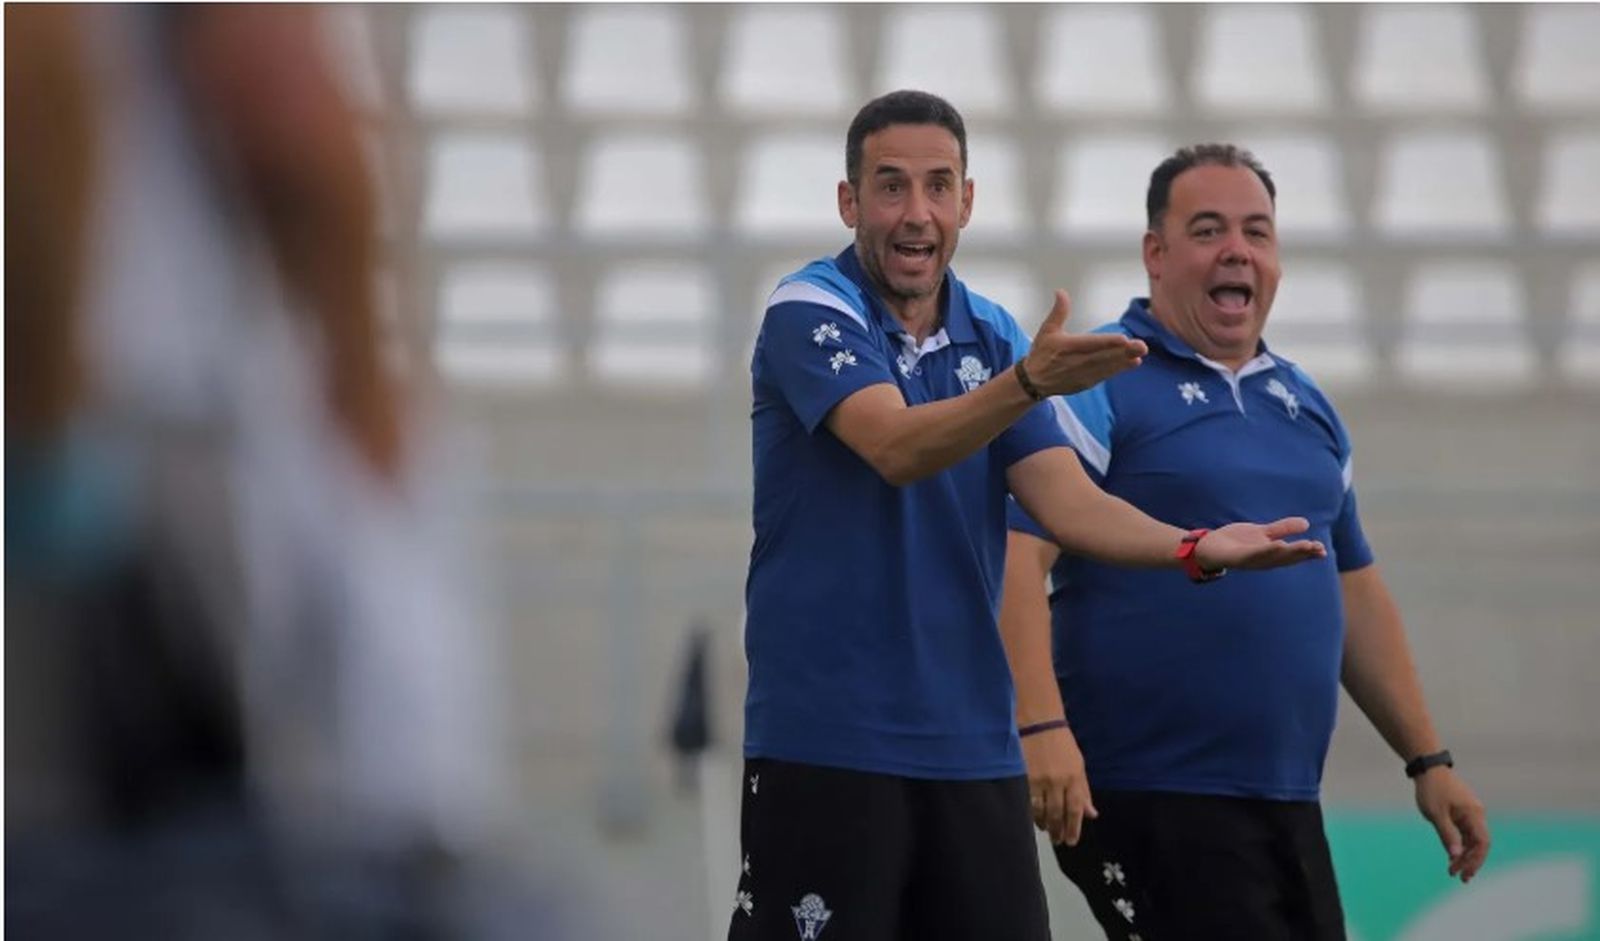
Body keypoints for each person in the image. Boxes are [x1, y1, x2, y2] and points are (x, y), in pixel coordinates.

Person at [731, 92, 1328, 941]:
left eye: (939, 187)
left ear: (967, 203)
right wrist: (1026, 386)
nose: (916, 213)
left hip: (975, 748)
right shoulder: (811, 310)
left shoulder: (995, 333)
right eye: (891, 186)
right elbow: (897, 448)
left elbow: (1066, 501)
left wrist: (1194, 546)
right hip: (831, 740)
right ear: (849, 202)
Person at [1000, 143, 1492, 940]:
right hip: (1149, 790)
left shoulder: (1307, 405)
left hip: (1284, 796)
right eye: (1208, 229)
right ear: (1156, 254)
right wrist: (1042, 728)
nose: (1237, 249)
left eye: (1257, 232)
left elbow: (1352, 587)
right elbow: (1017, 555)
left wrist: (1428, 760)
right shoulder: (1101, 380)